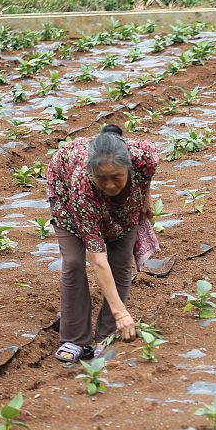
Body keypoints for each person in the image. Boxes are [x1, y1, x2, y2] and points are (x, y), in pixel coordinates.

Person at [46, 123, 158, 363]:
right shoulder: (81, 186)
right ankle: (75, 340)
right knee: (75, 262)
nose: (109, 185)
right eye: (102, 178)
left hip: (125, 210)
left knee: (120, 264)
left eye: (116, 177)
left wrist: (145, 197)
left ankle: (106, 336)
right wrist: (121, 312)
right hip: (68, 200)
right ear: (91, 172)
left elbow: (147, 177)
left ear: (129, 168)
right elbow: (97, 259)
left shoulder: (144, 157)